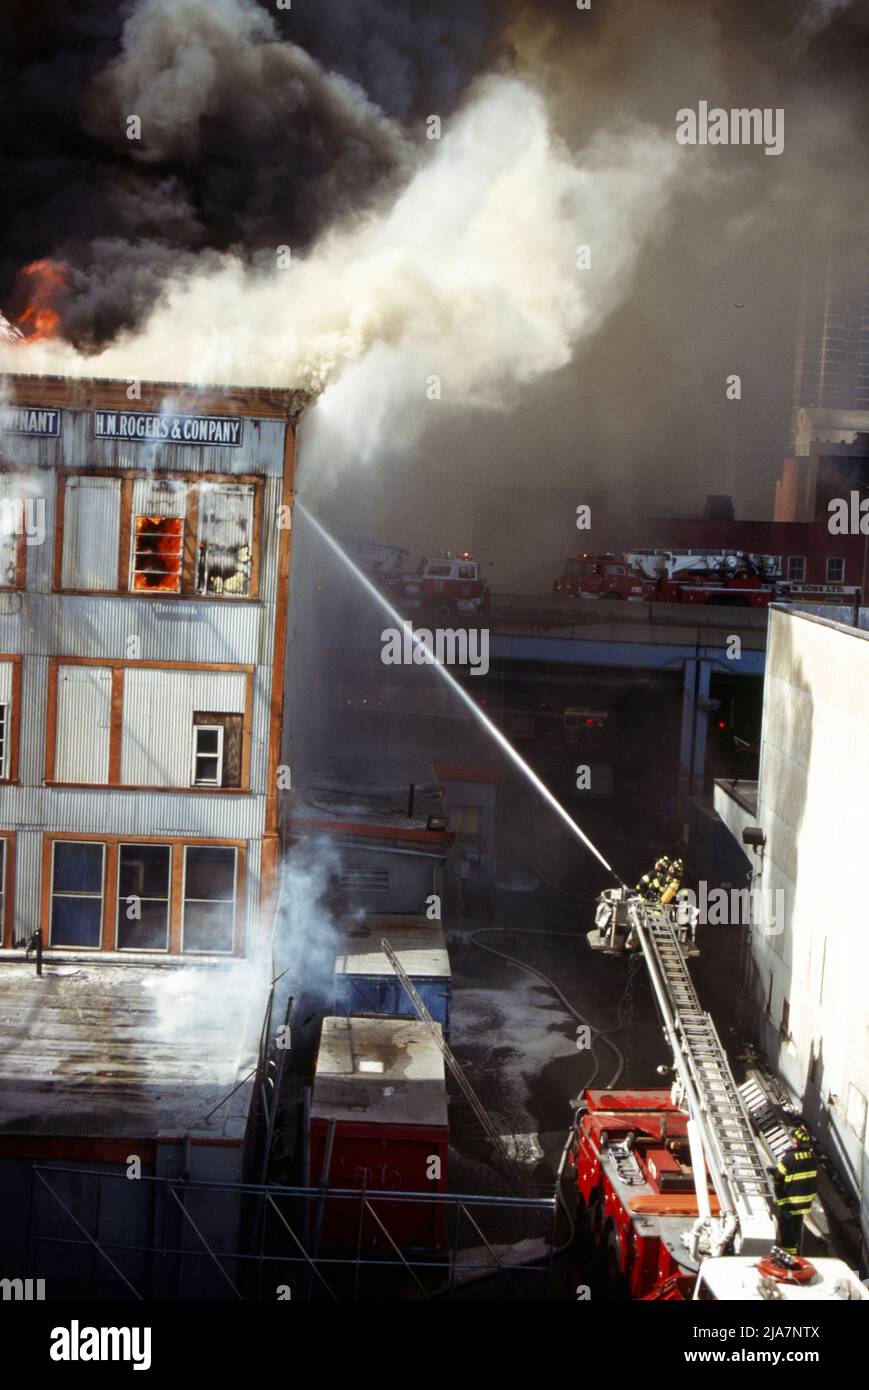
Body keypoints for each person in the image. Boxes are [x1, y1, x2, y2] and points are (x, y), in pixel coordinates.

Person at [773, 1124, 817, 1255]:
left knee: (787, 1229)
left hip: (790, 1201)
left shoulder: (789, 1158)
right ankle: (797, 1250)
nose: (791, 1141)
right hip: (805, 1202)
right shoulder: (812, 1157)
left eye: (793, 1139)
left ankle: (789, 1254)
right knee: (797, 1225)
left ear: (797, 1142)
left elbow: (778, 1176)